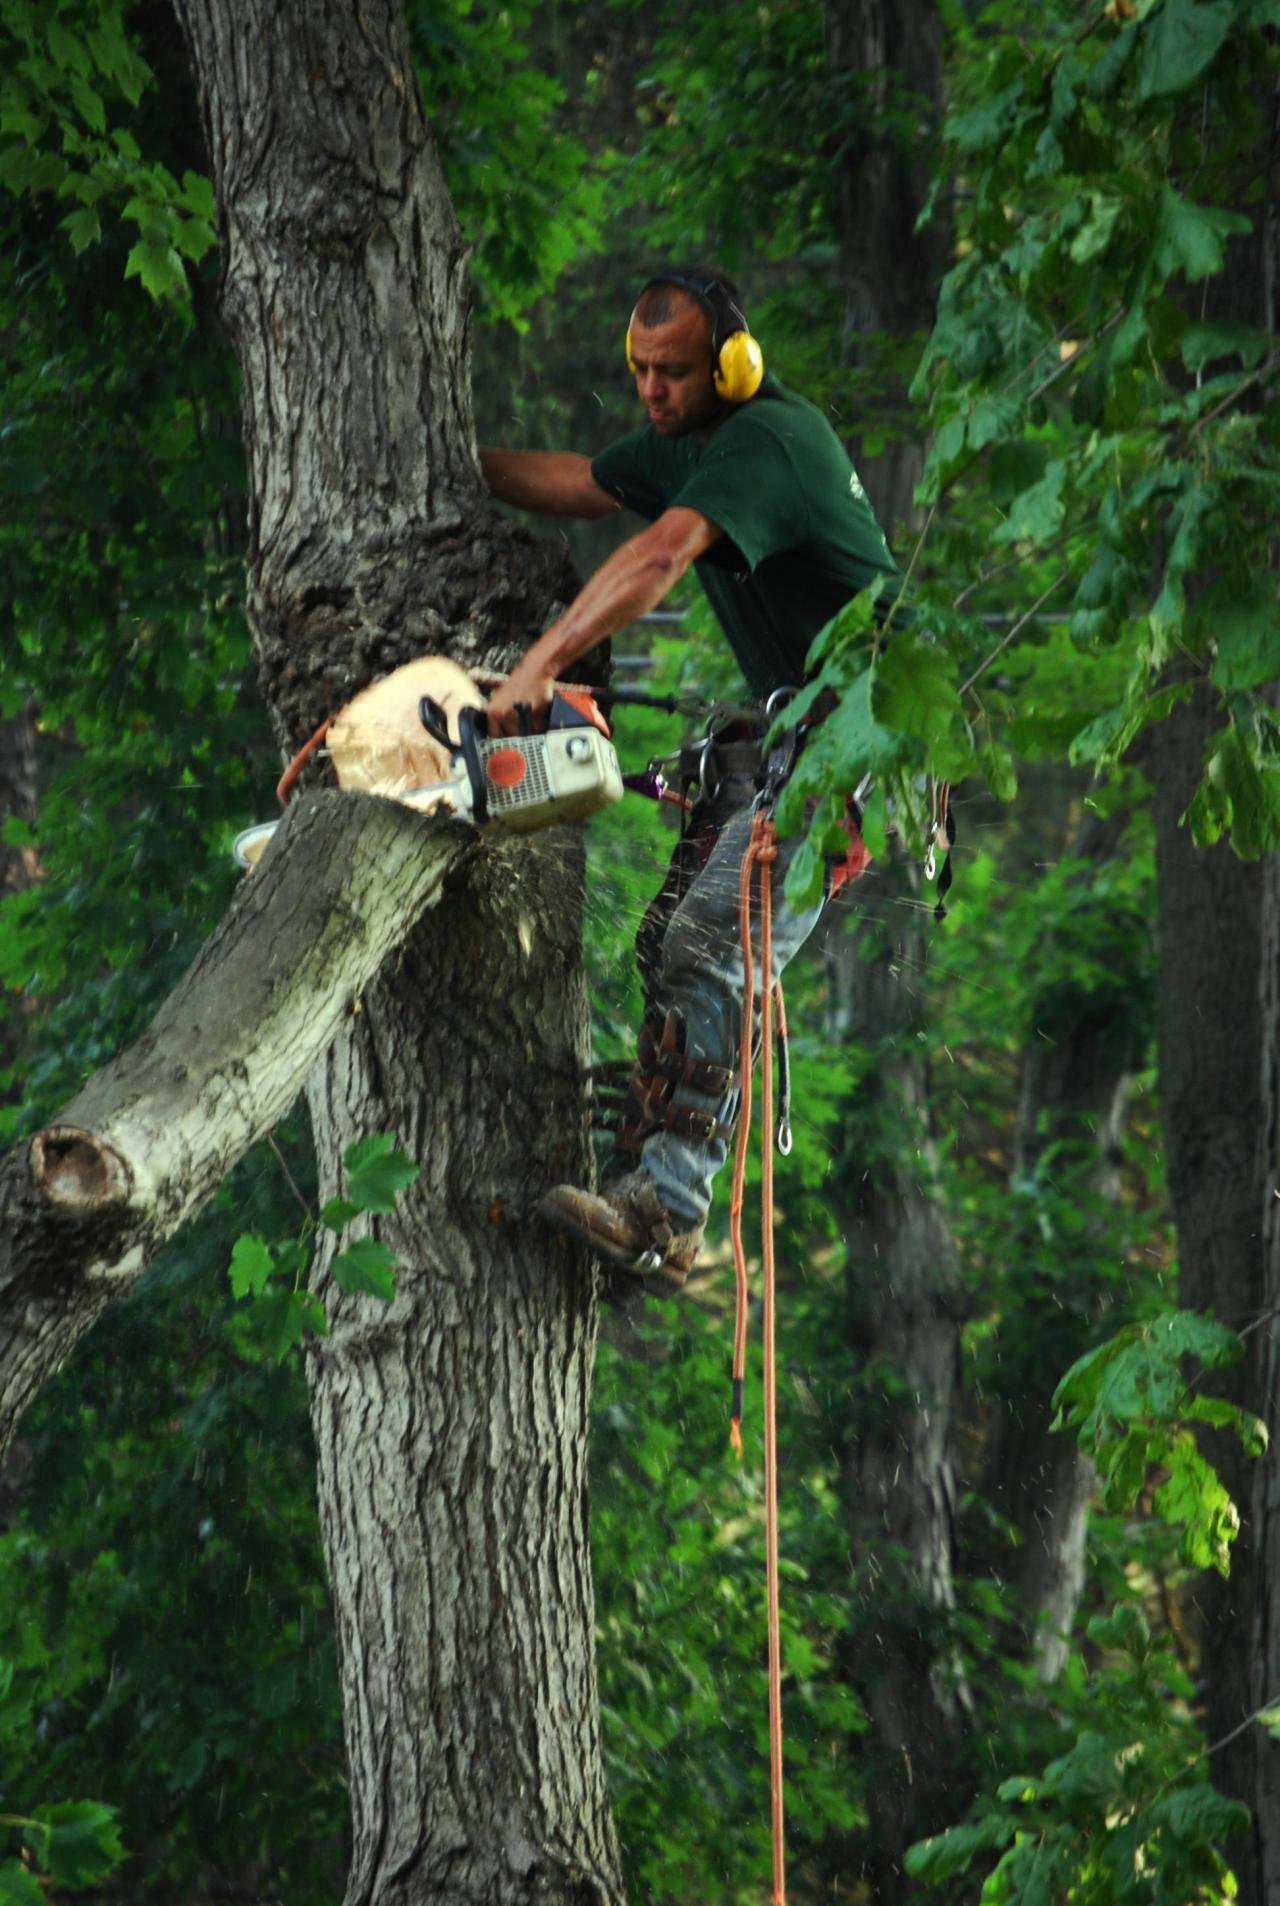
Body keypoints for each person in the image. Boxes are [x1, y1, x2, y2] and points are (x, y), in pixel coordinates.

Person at [479, 266, 900, 1296]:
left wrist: (539, 660)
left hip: (864, 738)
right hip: (799, 731)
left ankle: (666, 1211)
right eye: (637, 372)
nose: (651, 392)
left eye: (671, 371)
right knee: (670, 935)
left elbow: (662, 555)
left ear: (733, 363)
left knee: (718, 936)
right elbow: (580, 481)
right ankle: (636, 1190)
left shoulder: (766, 439)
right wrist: (453, 460)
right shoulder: (682, 441)